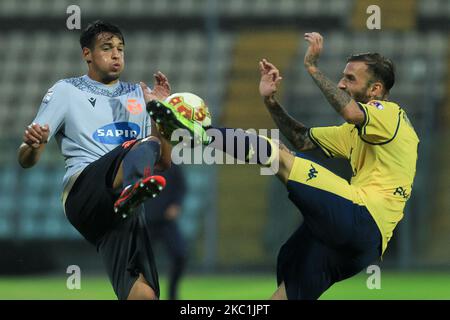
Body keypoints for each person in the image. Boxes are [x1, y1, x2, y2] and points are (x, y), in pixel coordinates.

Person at [147, 32, 419, 300]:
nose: (342, 84)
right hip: (360, 245)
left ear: (375, 90)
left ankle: (202, 133)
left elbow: (349, 111)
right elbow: (301, 139)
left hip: (362, 216)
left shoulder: (391, 114)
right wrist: (271, 102)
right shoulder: (357, 132)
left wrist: (312, 67)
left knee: (276, 155)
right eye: (342, 77)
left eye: (350, 78)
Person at [17, 20, 179, 300]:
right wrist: (34, 144)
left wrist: (158, 114)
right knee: (136, 148)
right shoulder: (67, 91)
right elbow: (26, 160)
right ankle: (130, 190)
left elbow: (163, 161)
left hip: (120, 208)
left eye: (120, 49)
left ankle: (130, 192)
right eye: (107, 48)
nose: (116, 54)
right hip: (84, 192)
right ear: (87, 54)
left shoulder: (138, 96)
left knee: (144, 293)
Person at [144, 163, 188, 300]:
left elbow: (181, 187)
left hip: (166, 222)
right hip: (145, 223)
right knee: (136, 262)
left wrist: (176, 204)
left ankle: (172, 295)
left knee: (180, 255)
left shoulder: (171, 165)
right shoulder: (141, 162)